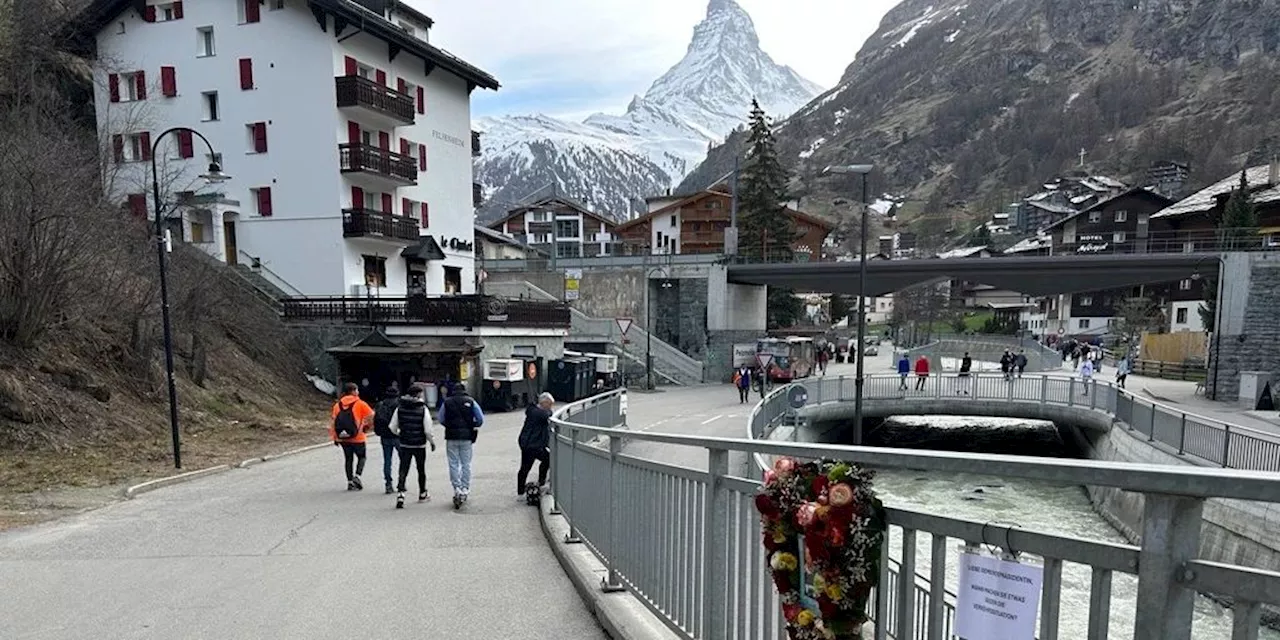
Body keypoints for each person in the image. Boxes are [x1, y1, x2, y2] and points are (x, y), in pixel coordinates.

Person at [388, 384, 437, 508]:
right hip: (419, 444)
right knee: (421, 469)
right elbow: (427, 429)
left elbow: (392, 426)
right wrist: (431, 442)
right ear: (418, 394)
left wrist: (400, 433)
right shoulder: (423, 408)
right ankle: (422, 493)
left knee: (403, 468)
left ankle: (400, 494)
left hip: (405, 443)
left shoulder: (400, 408)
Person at [438, 382, 484, 509]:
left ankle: (456, 488)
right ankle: (465, 488)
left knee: (453, 463)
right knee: (466, 463)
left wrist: (449, 425)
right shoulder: (471, 401)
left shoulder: (447, 402)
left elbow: (441, 418)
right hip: (466, 436)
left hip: (451, 436)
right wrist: (472, 424)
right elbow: (480, 419)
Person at [330, 382, 374, 491]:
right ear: (353, 391)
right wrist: (367, 426)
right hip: (358, 437)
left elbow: (334, 422)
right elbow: (371, 416)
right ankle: (357, 476)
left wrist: (335, 437)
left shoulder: (337, 405)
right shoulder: (360, 403)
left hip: (343, 437)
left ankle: (349, 482)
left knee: (348, 459)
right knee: (362, 457)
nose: (358, 392)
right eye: (357, 390)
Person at [517, 392, 555, 500]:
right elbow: (547, 415)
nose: (551, 407)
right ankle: (540, 482)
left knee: (525, 467)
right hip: (531, 444)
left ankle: (521, 491)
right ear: (544, 403)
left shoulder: (533, 411)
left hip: (530, 443)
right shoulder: (537, 413)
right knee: (528, 466)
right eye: (550, 404)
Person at [372, 383, 402, 494]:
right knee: (403, 460)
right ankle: (401, 482)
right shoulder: (399, 404)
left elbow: (375, 420)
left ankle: (388, 484)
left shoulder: (380, 404)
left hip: (384, 435)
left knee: (387, 460)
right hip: (398, 435)